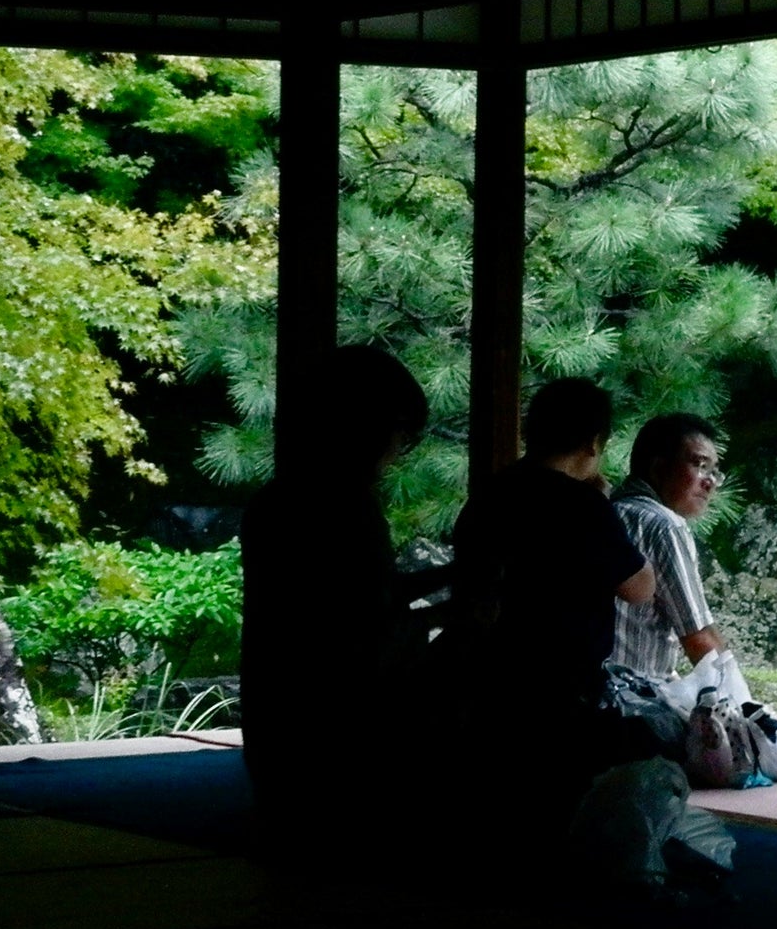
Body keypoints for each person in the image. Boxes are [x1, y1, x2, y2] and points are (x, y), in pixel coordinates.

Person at [239, 345, 432, 837]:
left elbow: (359, 601)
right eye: (398, 435)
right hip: (341, 740)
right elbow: (364, 635)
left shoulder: (277, 501)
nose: (397, 450)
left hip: (279, 731)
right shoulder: (348, 512)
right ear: (368, 429)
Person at [448, 377, 659, 826]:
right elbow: (639, 589)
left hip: (484, 670)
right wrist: (604, 508)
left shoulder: (492, 492)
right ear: (594, 442)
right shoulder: (582, 505)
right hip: (557, 682)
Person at [609, 412, 729, 684]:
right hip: (630, 699)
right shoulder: (664, 526)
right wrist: (742, 703)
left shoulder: (607, 511)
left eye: (714, 472)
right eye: (700, 466)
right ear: (658, 467)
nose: (709, 483)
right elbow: (698, 638)